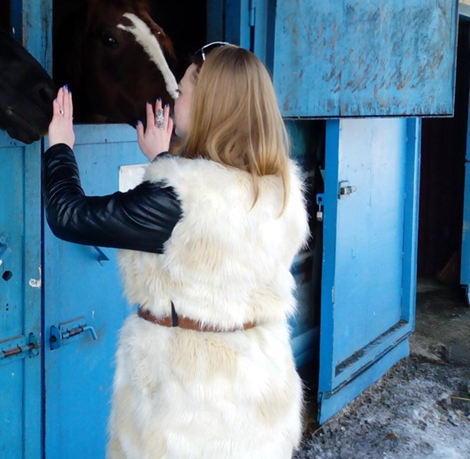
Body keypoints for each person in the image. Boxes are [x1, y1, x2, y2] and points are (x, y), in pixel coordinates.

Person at [43, 43, 310, 459]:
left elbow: (68, 215)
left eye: (183, 91)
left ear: (207, 104)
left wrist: (60, 146)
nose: (175, 98)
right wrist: (163, 158)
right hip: (258, 392)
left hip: (190, 410)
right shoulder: (278, 191)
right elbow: (206, 225)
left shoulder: (175, 198)